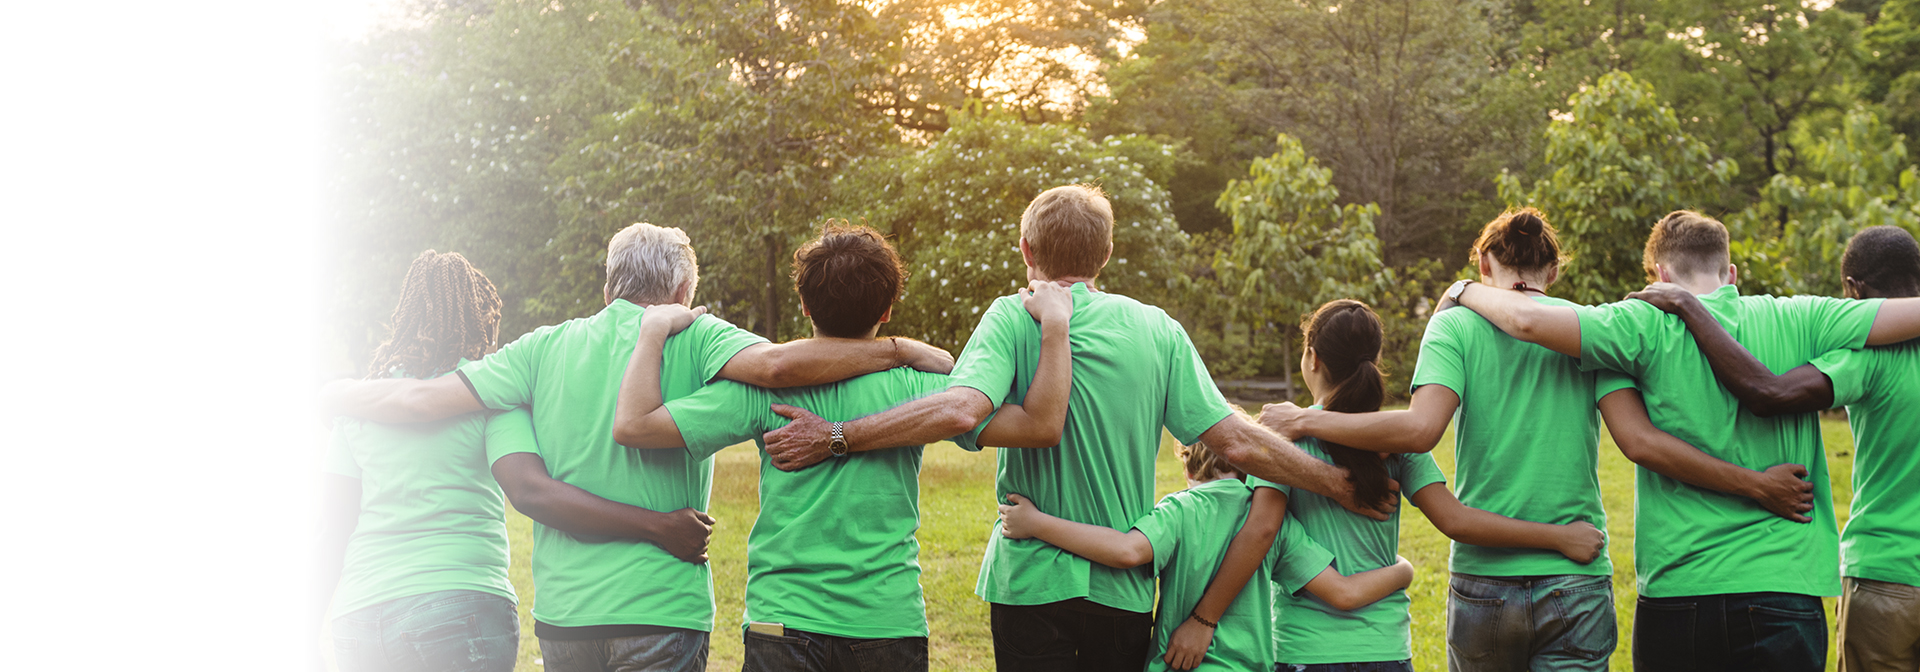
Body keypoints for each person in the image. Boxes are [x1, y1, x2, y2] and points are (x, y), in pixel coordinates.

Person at [759, 185, 1394, 670]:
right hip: (1119, 589)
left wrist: (837, 434)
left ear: (1027, 251)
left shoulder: (1013, 317)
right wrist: (1336, 482)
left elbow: (958, 409)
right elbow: (1232, 440)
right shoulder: (1156, 329)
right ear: (1107, 254)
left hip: (1030, 581)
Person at [319, 223, 956, 672]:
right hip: (668, 606)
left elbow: (423, 402)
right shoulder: (701, 336)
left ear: (607, 289)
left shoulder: (539, 349)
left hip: (568, 613)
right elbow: (779, 367)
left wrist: (337, 394)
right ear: (683, 292)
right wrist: (898, 350)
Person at [1259, 209, 1817, 671]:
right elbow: (1636, 440)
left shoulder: (1454, 325)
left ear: (1484, 264)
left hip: (1483, 579)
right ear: (1553, 271)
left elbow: (1419, 429)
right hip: (1575, 578)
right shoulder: (1585, 327)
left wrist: (1307, 421)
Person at [1446, 210, 1920, 671]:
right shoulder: (1804, 317)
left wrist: (1465, 291)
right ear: (1730, 272)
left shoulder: (1636, 323)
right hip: (1784, 585)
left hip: (1679, 590)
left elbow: (1527, 321)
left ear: (1658, 273)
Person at [609, 225, 1077, 672]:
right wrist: (1055, 332)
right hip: (886, 621)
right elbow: (1037, 425)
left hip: (782, 620)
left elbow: (640, 426)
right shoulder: (925, 386)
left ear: (806, 308)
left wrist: (651, 335)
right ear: (887, 309)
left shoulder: (760, 392)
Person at [1623, 225, 1920, 672]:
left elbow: (1768, 393)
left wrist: (1686, 305)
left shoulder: (1870, 359)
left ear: (1853, 289)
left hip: (1889, 570)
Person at [1253, 299, 1605, 671]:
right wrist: (1560, 537)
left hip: (1308, 651)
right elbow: (1456, 521)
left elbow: (1263, 528)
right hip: (1386, 650)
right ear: (1374, 360)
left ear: (1312, 358)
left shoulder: (1282, 440)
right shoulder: (1395, 442)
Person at [996, 432, 1417, 672]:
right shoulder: (1274, 521)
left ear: (1189, 467)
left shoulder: (1181, 509)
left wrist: (1038, 524)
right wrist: (1402, 571)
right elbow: (1341, 592)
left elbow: (1127, 551)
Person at [323, 250, 521, 672]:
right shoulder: (490, 390)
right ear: (477, 314)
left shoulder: (358, 404)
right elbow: (526, 485)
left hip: (361, 615)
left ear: (406, 315)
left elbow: (334, 528)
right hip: (459, 602)